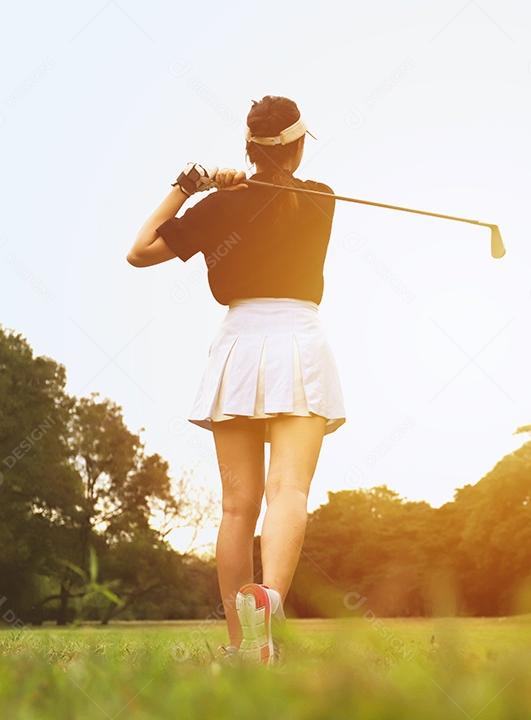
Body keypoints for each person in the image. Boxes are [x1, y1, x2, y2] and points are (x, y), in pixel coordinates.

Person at [127, 95, 345, 663]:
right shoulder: (321, 200)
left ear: (247, 148)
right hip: (300, 338)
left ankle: (241, 644)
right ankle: (270, 598)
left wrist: (190, 186)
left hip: (240, 345)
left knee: (236, 506)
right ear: (297, 148)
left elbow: (138, 251)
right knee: (289, 491)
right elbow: (276, 193)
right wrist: (233, 190)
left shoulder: (219, 206)